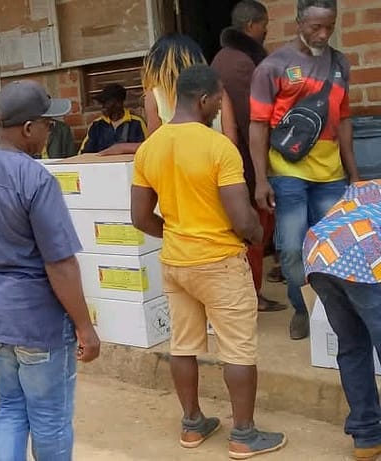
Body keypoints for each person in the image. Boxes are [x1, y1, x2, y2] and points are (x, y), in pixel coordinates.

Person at [131, 65, 285, 458]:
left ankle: (192, 424)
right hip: (220, 262)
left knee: (183, 346)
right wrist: (259, 234)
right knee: (238, 350)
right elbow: (242, 218)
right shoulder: (219, 147)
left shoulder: (150, 147)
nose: (219, 106)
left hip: (175, 263)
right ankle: (243, 435)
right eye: (218, 99)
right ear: (203, 99)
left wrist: (177, 232)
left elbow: (140, 217)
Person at [0, 80, 100, 461]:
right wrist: (85, 326)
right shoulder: (36, 179)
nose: (51, 131)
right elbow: (60, 264)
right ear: (29, 128)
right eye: (48, 124)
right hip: (37, 321)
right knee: (49, 417)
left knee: (9, 407)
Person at [250, 0, 356, 340]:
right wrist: (261, 179)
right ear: (298, 22)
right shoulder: (273, 66)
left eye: (329, 27)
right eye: (315, 27)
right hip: (288, 171)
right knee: (293, 247)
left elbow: (344, 120)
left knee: (334, 247)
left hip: (331, 175)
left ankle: (333, 313)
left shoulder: (340, 63)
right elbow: (258, 124)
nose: (323, 34)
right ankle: (302, 309)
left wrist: (354, 174)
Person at [211, 0, 284, 313]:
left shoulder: (224, 58)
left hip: (237, 160)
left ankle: (249, 293)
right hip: (246, 162)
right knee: (254, 230)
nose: (266, 30)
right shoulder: (241, 63)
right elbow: (251, 120)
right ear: (253, 25)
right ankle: (252, 295)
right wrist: (262, 171)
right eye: (265, 24)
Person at [304, 180, 381, 461]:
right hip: (363, 254)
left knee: (352, 345)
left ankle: (366, 437)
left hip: (319, 254)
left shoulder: (368, 187)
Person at [142, 33, 240, 145]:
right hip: (216, 155)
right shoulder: (216, 90)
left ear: (157, 65)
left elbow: (154, 144)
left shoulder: (154, 96)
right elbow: (231, 140)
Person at [79, 83, 147, 155]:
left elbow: (146, 149)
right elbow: (84, 154)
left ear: (118, 102)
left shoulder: (137, 123)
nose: (103, 107)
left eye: (106, 102)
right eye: (102, 103)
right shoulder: (96, 125)